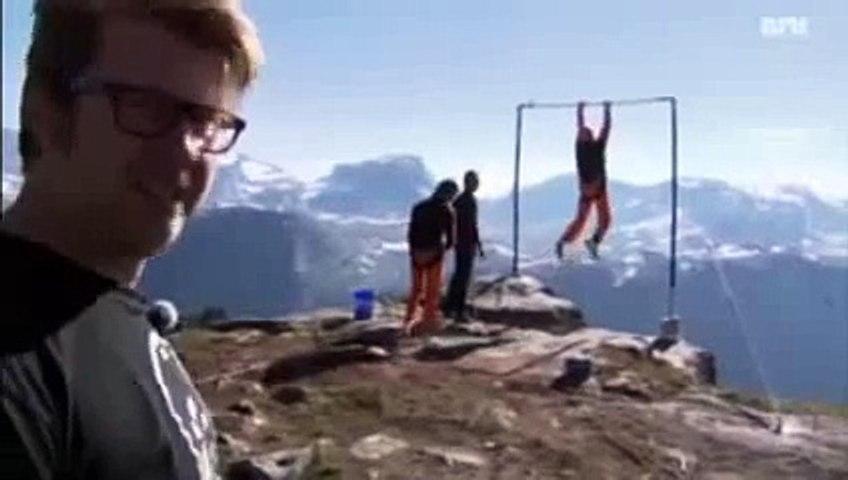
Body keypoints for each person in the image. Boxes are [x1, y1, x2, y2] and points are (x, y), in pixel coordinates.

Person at [1, 1, 263, 478]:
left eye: (206, 121)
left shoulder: (107, 322)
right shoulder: (17, 369)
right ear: (47, 111)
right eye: (144, 106)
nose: (183, 152)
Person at [556, 100, 613, 260]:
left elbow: (597, 128)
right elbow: (604, 128)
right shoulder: (592, 147)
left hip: (589, 188)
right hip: (596, 187)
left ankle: (567, 241)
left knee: (585, 219)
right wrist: (606, 110)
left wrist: (581, 110)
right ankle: (589, 241)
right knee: (602, 219)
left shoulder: (584, 147)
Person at [404, 180, 459, 336]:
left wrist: (414, 251)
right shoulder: (447, 210)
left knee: (416, 288)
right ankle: (428, 322)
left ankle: (409, 318)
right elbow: (451, 239)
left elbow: (411, 232)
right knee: (432, 290)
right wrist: (442, 249)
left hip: (416, 253)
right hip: (434, 253)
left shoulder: (418, 207)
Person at [444, 170, 484, 322]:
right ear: (468, 183)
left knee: (460, 275)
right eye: (475, 181)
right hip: (464, 242)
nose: (477, 184)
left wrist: (477, 243)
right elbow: (470, 224)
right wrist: (475, 242)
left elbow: (471, 224)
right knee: (463, 276)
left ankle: (451, 307)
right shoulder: (466, 200)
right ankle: (458, 310)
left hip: (463, 242)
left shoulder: (461, 200)